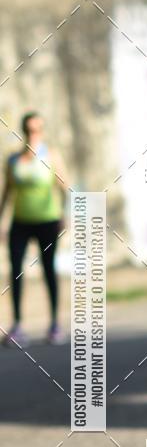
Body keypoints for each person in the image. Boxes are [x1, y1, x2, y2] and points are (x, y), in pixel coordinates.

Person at [0, 112, 69, 347]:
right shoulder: (13, 160)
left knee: (48, 269)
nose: (33, 134)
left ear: (42, 130)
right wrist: (1, 222)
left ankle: (54, 324)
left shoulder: (51, 156)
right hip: (20, 222)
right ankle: (17, 325)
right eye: (29, 130)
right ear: (24, 131)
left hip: (47, 221)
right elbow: (7, 193)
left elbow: (63, 187)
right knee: (16, 271)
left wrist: (64, 215)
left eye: (37, 129)